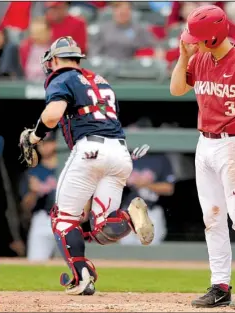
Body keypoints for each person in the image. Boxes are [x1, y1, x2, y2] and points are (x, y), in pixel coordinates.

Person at [19, 36, 154, 296]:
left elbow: (52, 114)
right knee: (102, 228)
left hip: (90, 150)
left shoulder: (62, 77)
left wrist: (34, 136)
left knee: (63, 219)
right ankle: (129, 218)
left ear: (55, 59)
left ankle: (81, 275)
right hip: (120, 152)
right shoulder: (100, 80)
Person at [170, 5, 235, 310]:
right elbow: (176, 89)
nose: (192, 42)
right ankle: (220, 285)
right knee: (212, 218)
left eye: (197, 39)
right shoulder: (198, 58)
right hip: (206, 143)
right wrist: (184, 56)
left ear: (213, 37)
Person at [120, 153, 175, 245]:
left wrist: (145, 184)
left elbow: (169, 188)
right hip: (127, 209)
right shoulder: (125, 155)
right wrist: (130, 181)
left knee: (151, 246)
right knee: (126, 245)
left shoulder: (160, 158)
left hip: (151, 209)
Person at [19, 133, 58, 261]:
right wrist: (33, 193)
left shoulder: (68, 167)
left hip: (65, 219)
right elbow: (25, 208)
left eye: (48, 142)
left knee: (70, 266)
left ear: (56, 143)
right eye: (40, 143)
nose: (44, 146)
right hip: (42, 219)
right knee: (35, 263)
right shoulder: (32, 172)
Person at [89, 2, 157, 60]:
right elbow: (94, 52)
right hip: (106, 65)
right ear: (114, 11)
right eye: (120, 10)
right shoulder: (104, 29)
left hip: (131, 66)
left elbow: (154, 48)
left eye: (126, 10)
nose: (123, 13)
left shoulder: (139, 29)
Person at [19, 17, 51, 82]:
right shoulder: (24, 48)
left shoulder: (55, 49)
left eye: (40, 32)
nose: (36, 36)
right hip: (27, 83)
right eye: (34, 33)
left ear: (49, 32)